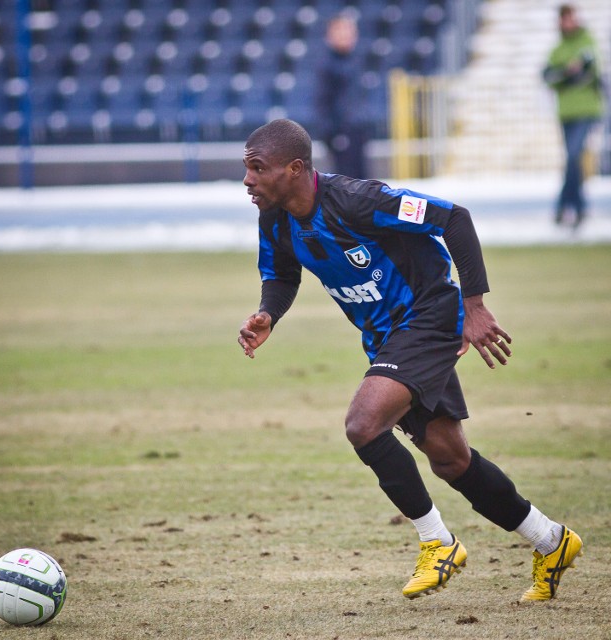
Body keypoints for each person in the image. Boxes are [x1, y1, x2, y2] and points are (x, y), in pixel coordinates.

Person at [238, 118, 583, 601]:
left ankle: (437, 542)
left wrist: (474, 305)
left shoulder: (360, 200)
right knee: (449, 458)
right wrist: (267, 314)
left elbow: (454, 217)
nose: (248, 180)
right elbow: (282, 275)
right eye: (246, 168)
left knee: (363, 424)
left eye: (257, 168)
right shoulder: (275, 219)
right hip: (387, 338)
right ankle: (551, 540)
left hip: (428, 316)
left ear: (295, 169)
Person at [543, 4, 605, 228]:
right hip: (566, 112)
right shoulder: (558, 49)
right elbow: (548, 76)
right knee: (572, 159)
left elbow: (589, 71)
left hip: (586, 110)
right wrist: (568, 73)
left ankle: (564, 207)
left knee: (573, 156)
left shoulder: (586, 42)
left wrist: (565, 76)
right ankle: (577, 207)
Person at [314, 14, 371, 179]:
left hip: (358, 131)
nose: (346, 36)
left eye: (350, 31)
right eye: (341, 31)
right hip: (340, 132)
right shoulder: (327, 64)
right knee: (346, 184)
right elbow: (322, 102)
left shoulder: (356, 61)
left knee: (363, 182)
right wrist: (332, 134)